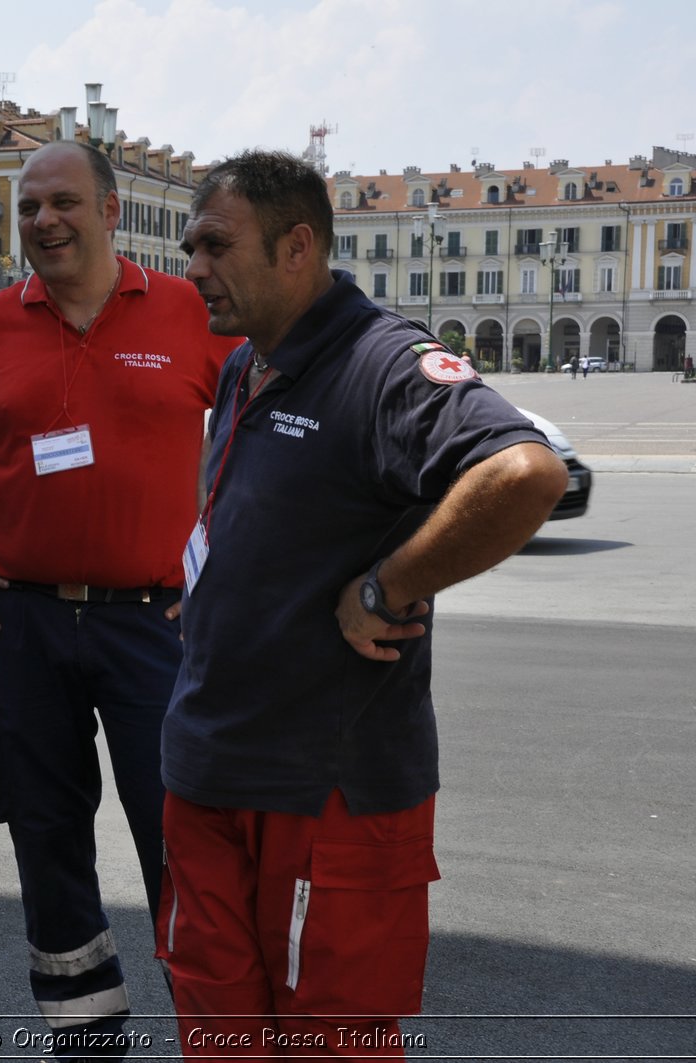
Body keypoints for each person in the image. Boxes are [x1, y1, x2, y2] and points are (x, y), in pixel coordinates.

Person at [161, 149, 567, 1058]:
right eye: (191, 246)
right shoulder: (245, 367)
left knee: (330, 1042)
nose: (194, 269)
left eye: (217, 245)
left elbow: (525, 471)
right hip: (207, 769)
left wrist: (390, 585)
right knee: (217, 1032)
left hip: (326, 795)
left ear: (297, 246)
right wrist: (212, 586)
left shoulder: (381, 363)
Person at [0, 140, 237, 1058]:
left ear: (112, 212)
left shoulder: (190, 311)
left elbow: (263, 415)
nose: (43, 222)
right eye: (28, 208)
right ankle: (85, 1031)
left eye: (63, 202)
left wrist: (229, 559)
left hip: (157, 622)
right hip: (22, 620)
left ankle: (213, 1027)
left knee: (180, 836)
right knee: (45, 830)